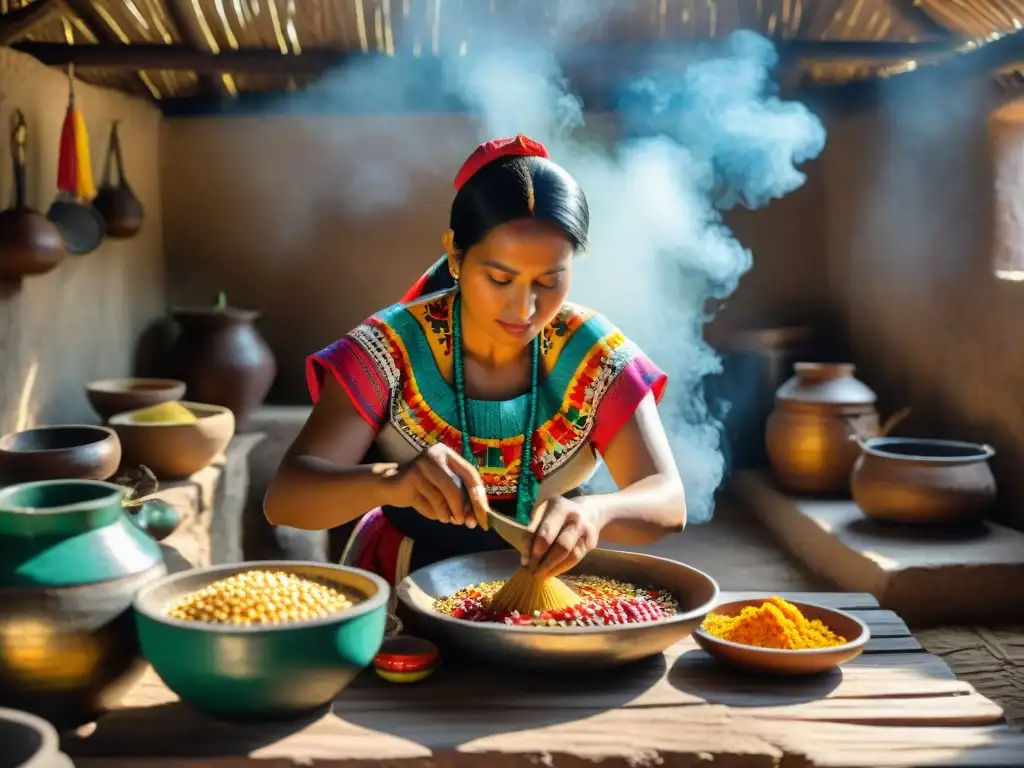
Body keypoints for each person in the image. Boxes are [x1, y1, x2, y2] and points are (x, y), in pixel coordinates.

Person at [265, 134, 686, 591]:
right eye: (500, 278)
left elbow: (667, 500)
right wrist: (393, 481)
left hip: (552, 587)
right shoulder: (389, 350)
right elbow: (287, 498)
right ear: (455, 253)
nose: (524, 308)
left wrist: (597, 511)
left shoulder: (593, 355)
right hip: (405, 581)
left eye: (550, 280)